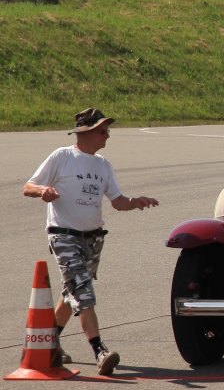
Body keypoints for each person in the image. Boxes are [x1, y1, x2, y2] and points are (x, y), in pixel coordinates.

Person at [21, 108, 160, 376]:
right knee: (83, 292)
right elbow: (28, 187)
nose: (107, 134)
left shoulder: (103, 165)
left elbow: (118, 202)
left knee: (71, 292)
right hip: (64, 235)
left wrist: (136, 202)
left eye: (107, 129)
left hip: (93, 239)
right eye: (102, 130)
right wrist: (43, 191)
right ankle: (100, 351)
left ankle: (48, 344)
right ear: (85, 133)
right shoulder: (62, 156)